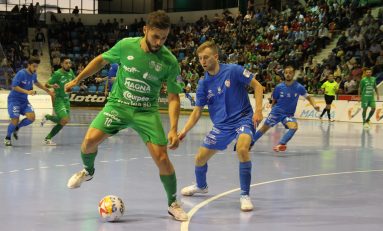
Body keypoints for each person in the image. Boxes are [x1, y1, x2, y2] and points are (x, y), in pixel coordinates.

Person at [64, 10, 188, 221]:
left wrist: (174, 129)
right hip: (118, 106)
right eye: (155, 36)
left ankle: (173, 203)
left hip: (146, 111)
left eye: (164, 38)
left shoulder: (169, 61)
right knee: (88, 142)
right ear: (145, 30)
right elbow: (100, 60)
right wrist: (77, 80)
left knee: (162, 158)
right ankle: (88, 170)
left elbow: (174, 97)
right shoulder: (125, 45)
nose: (159, 42)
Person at [178, 41, 264, 211]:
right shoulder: (203, 83)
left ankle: (245, 195)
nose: (203, 61)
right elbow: (196, 112)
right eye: (200, 58)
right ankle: (201, 186)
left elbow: (258, 86)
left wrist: (259, 110)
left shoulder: (233, 70)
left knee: (242, 149)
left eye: (206, 57)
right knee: (200, 158)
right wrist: (184, 130)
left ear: (215, 57)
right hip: (222, 126)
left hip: (243, 118)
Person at [252, 66, 320, 152]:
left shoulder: (299, 87)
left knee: (294, 127)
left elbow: (309, 97)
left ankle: (281, 144)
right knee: (264, 128)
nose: (288, 74)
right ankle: (251, 142)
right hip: (276, 112)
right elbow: (274, 100)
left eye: (290, 73)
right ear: (284, 74)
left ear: (293, 74)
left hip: (288, 114)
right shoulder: (279, 87)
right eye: (286, 73)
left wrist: (314, 105)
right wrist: (273, 108)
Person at [4, 58, 54, 146]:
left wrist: (47, 90)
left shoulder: (34, 74)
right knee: (15, 120)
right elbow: (14, 86)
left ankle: (17, 128)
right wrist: (28, 92)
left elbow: (37, 83)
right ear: (29, 65)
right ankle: (7, 137)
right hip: (14, 100)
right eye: (34, 66)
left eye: (36, 67)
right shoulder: (21, 73)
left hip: (24, 101)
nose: (35, 68)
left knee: (32, 118)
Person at [40, 57, 75, 145]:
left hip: (67, 100)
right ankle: (48, 117)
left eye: (69, 63)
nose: (68, 65)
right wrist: (52, 86)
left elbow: (74, 81)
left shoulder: (71, 72)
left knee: (63, 122)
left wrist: (72, 86)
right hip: (59, 100)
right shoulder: (57, 74)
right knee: (64, 119)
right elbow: (46, 84)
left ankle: (48, 138)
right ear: (62, 64)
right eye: (66, 63)